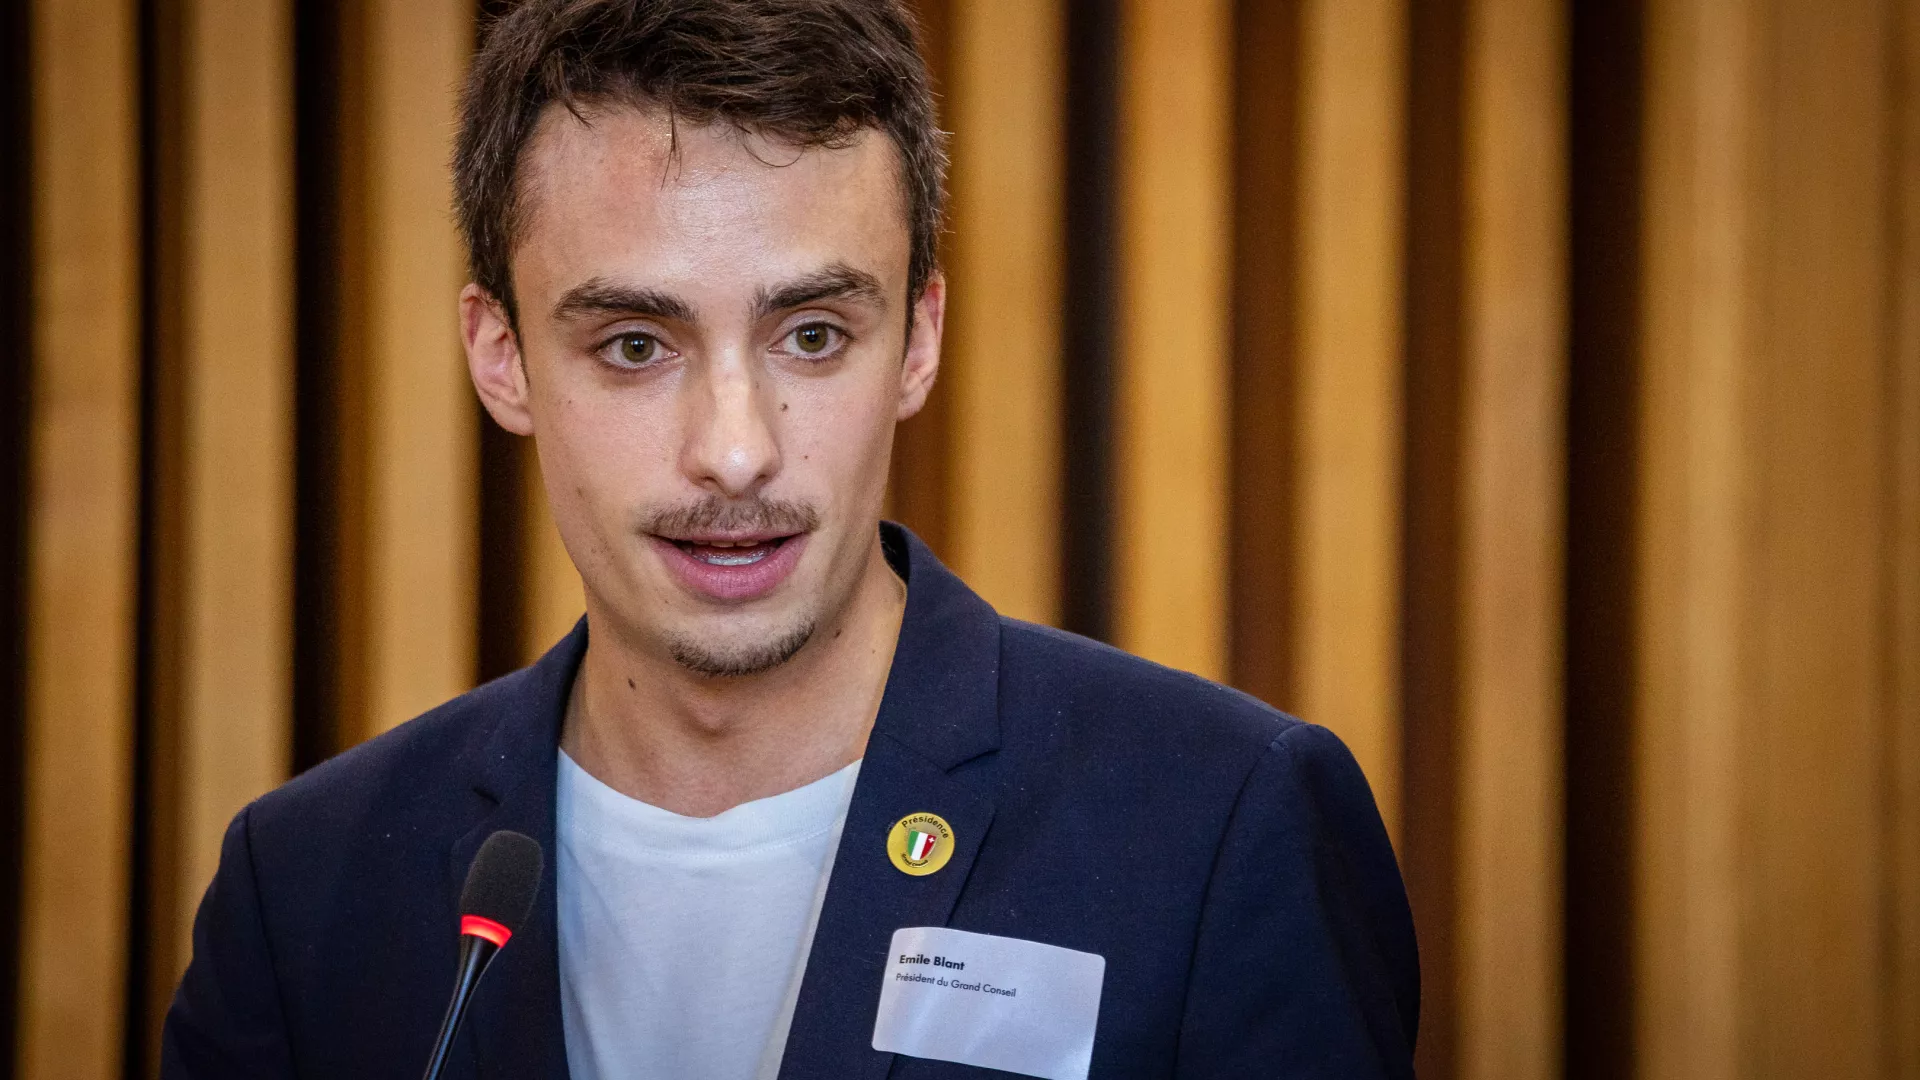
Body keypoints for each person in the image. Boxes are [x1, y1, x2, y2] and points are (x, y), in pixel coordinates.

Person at [161, 0, 1418, 1076]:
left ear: (918, 338)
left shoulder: (1220, 826)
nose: (737, 449)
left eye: (811, 335)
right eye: (635, 345)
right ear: (502, 359)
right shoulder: (307, 889)